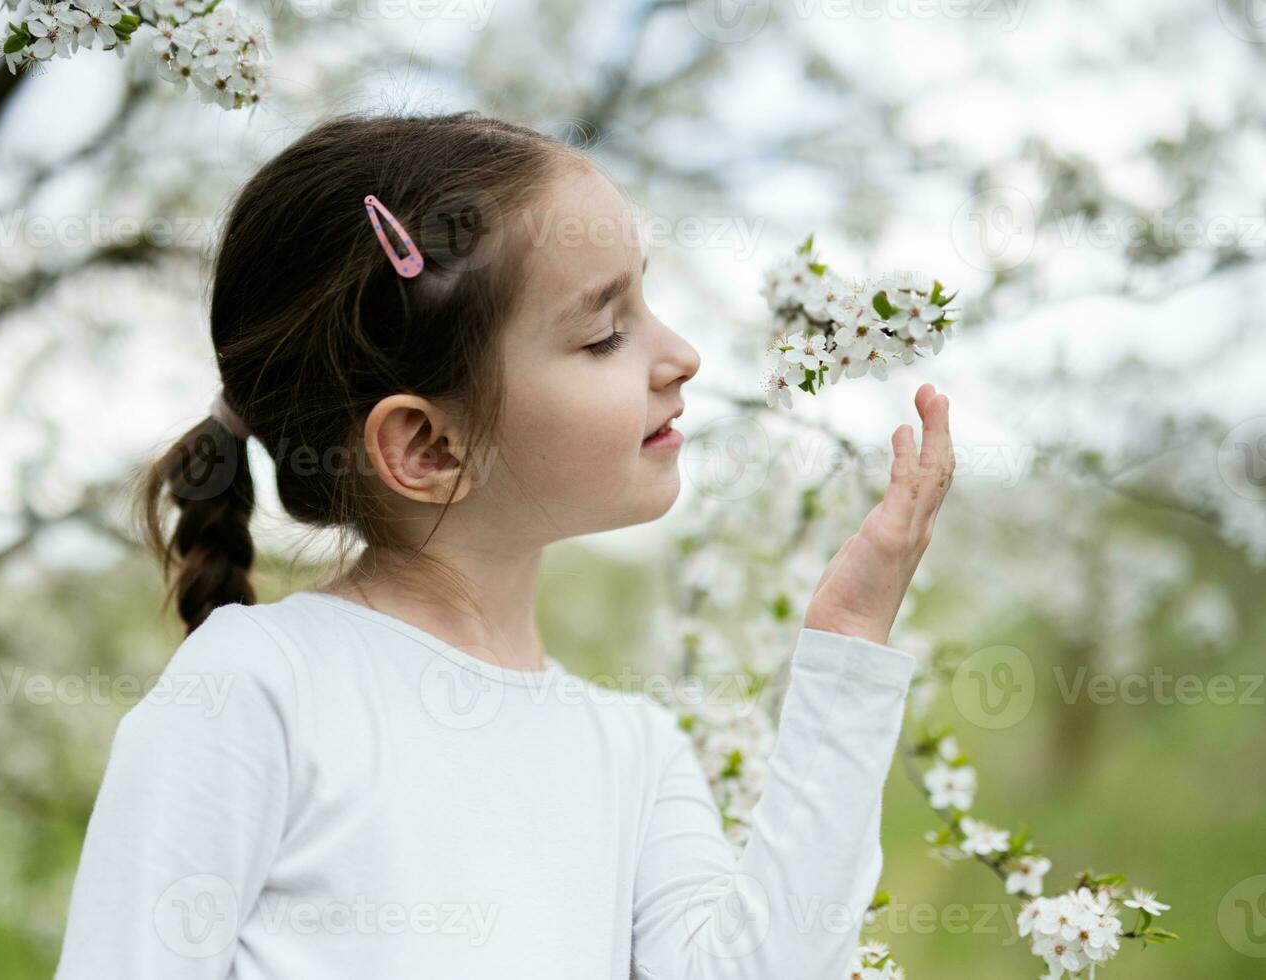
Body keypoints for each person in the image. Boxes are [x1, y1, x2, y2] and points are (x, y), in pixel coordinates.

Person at [53, 109, 955, 979]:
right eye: (603, 335)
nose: (681, 354)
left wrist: (848, 637)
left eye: (647, 301)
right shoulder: (258, 689)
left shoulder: (631, 751)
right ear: (427, 448)